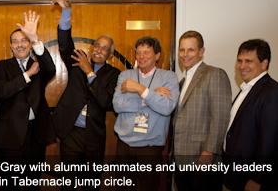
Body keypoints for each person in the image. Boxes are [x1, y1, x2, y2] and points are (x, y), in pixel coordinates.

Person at [50, 0, 120, 190]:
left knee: (91, 184)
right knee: (68, 184)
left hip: (93, 135)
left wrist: (90, 72)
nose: (98, 49)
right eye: (97, 44)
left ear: (110, 54)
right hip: (71, 131)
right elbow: (65, 42)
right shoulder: (78, 60)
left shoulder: (114, 74)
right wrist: (66, 10)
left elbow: (105, 101)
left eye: (104, 48)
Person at [0, 10, 56, 191]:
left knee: (32, 184)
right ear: (11, 47)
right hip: (9, 136)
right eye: (15, 41)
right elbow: (3, 92)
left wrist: (35, 37)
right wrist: (28, 74)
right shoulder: (2, 66)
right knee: (9, 185)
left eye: (24, 40)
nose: (19, 45)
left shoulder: (40, 64)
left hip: (35, 135)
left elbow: (51, 69)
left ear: (29, 45)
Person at [113, 36, 179, 191]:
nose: (141, 56)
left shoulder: (169, 77)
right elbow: (117, 104)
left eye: (146, 52)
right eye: (138, 52)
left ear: (157, 55)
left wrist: (138, 89)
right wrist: (150, 96)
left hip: (150, 148)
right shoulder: (125, 76)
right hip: (124, 146)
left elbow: (167, 106)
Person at [172, 31, 231, 191]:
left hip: (203, 157)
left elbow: (220, 116)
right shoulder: (183, 81)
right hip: (181, 158)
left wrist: (209, 151)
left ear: (201, 51)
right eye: (182, 49)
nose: (185, 54)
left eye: (191, 50)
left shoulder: (214, 74)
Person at [223, 39, 278, 191]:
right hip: (236, 175)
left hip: (251, 180)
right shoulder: (247, 89)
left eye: (249, 61)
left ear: (264, 63)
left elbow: (269, 142)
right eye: (239, 61)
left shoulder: (272, 92)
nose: (242, 66)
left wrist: (256, 178)